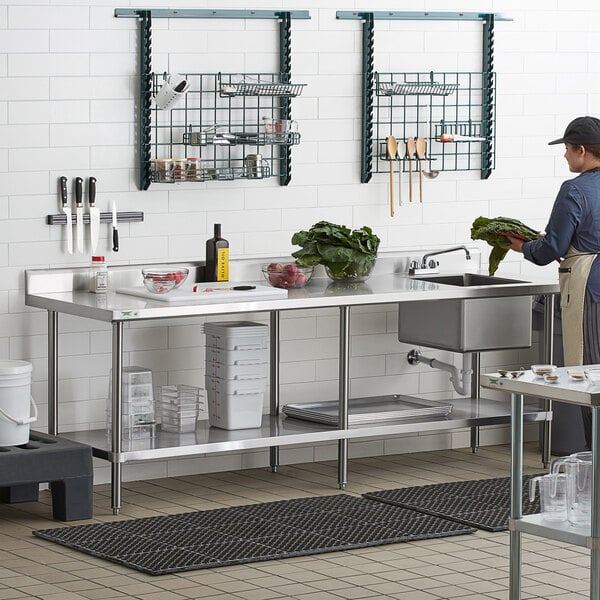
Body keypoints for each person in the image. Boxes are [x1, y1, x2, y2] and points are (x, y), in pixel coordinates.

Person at [504, 116, 600, 450]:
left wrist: (520, 246)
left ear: (583, 150)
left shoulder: (574, 189)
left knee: (590, 375)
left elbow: (550, 250)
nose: (565, 157)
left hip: (590, 289)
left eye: (568, 150)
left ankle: (596, 465)